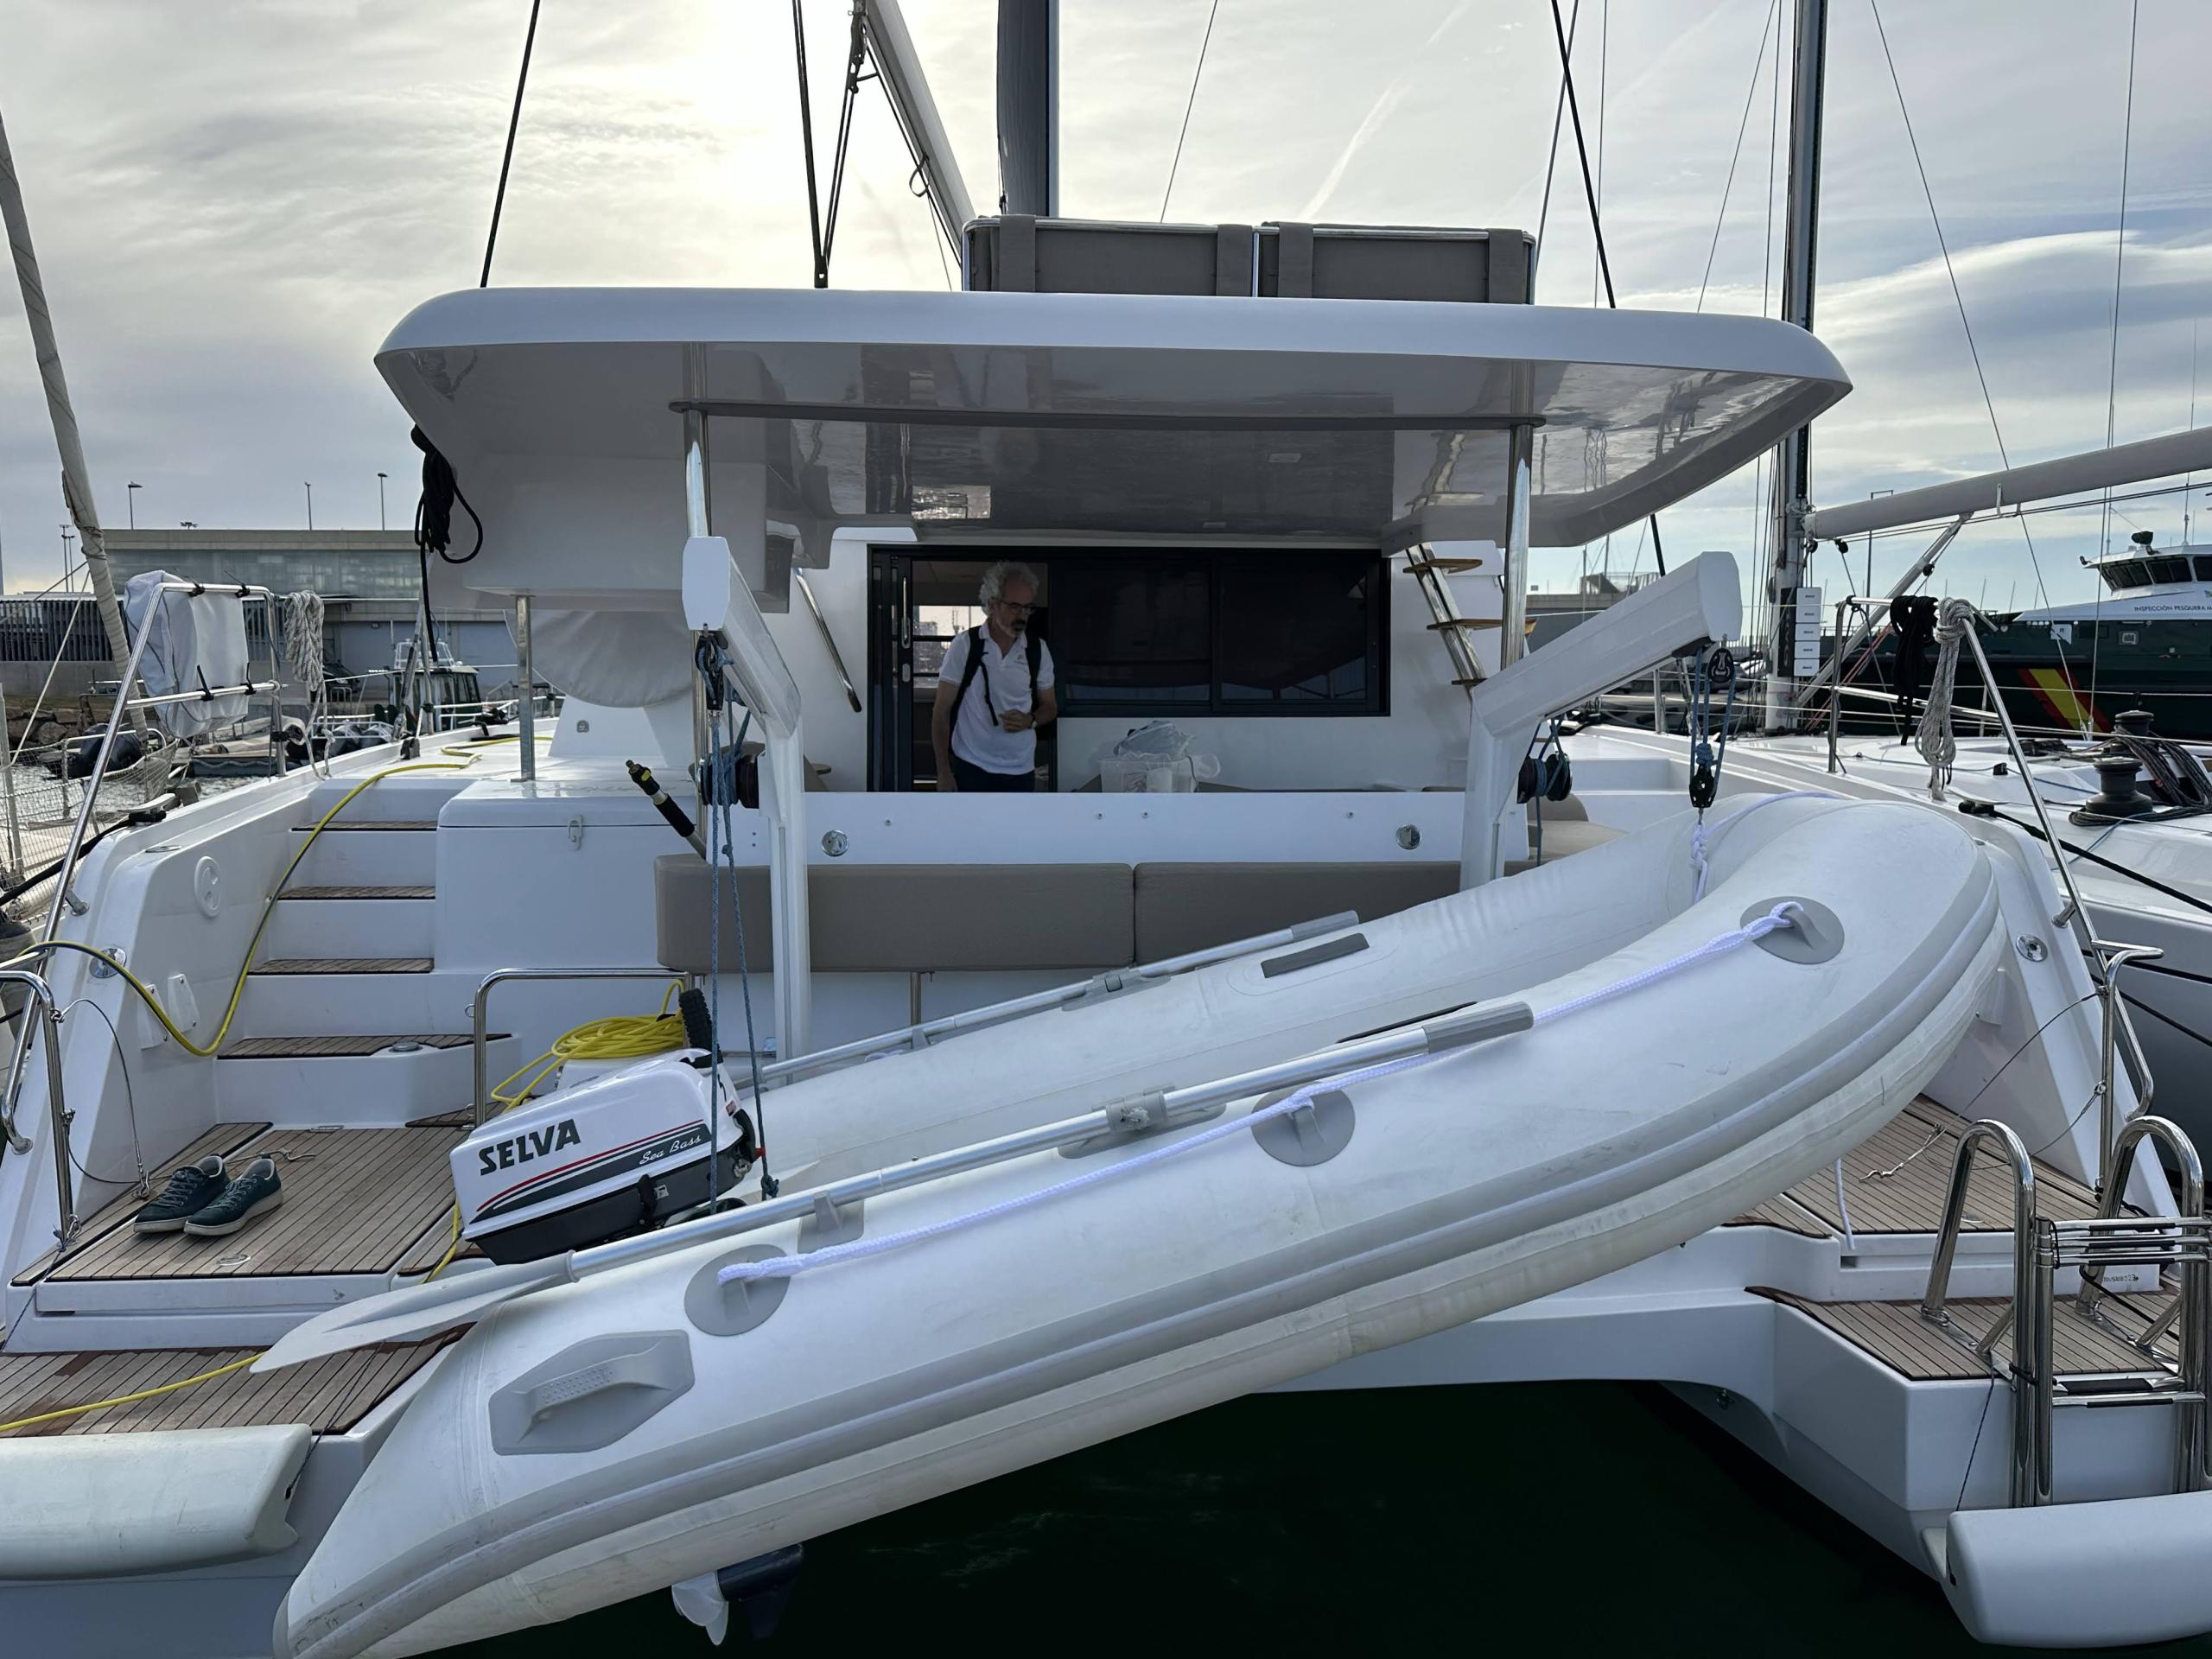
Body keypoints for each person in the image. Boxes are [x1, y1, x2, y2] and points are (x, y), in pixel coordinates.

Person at [932, 560, 1056, 792]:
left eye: (1028, 608)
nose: (1022, 616)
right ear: (992, 605)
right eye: (1015, 607)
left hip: (1021, 770)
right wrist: (943, 773)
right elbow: (941, 712)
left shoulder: (1037, 650)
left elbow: (1050, 707)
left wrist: (1031, 719)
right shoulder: (965, 645)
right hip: (971, 767)